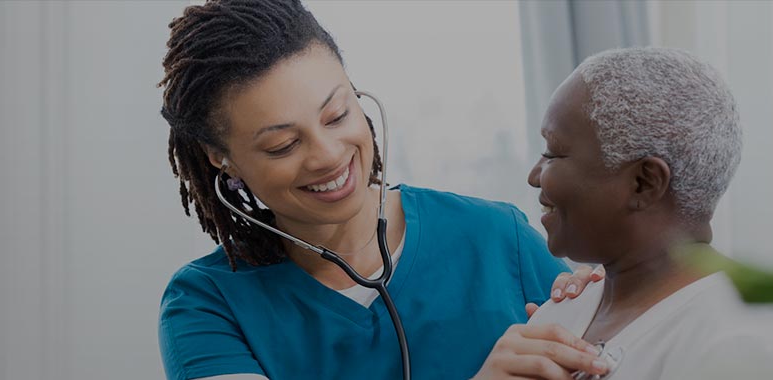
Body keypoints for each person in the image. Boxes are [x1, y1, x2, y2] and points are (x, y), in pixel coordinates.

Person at [155, 1, 605, 379]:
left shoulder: (496, 237)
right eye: (283, 145)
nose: (328, 155)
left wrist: (615, 304)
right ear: (221, 157)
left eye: (337, 115)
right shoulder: (207, 304)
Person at [514, 47, 773, 379]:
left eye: (552, 154)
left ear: (644, 182)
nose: (534, 176)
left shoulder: (742, 337)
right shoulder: (555, 320)